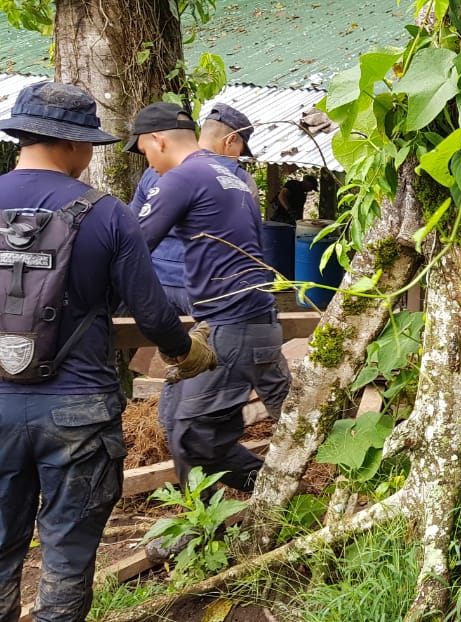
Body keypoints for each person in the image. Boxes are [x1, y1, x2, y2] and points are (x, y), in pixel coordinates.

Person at [0, 83, 215, 622]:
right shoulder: (107, 213)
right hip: (79, 412)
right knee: (68, 555)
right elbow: (152, 313)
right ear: (74, 145)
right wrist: (186, 354)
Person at [126, 102, 290, 501]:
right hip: (248, 319)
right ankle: (209, 513)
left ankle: (274, 492)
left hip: (233, 322)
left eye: (145, 151)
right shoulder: (230, 175)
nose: (149, 162)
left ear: (157, 140)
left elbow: (130, 246)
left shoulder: (184, 177)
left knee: (196, 437)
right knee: (175, 417)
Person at [129, 103, 257, 315]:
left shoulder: (155, 169)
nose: (238, 157)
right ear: (231, 140)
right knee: (203, 344)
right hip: (207, 289)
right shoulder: (239, 180)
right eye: (240, 151)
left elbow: (134, 226)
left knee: (159, 342)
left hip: (156, 282)